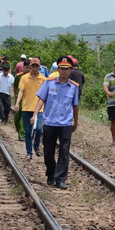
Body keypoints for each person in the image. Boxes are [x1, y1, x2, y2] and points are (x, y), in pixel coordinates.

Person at [32, 55, 79, 190]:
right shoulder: (49, 82)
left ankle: (60, 179)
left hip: (65, 124)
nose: (64, 71)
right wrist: (35, 114)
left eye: (67, 69)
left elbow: (75, 106)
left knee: (64, 151)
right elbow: (41, 99)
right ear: (57, 69)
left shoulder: (74, 87)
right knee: (48, 152)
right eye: (62, 68)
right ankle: (50, 174)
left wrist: (76, 122)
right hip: (50, 123)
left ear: (70, 70)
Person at [14, 57, 46, 159]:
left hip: (39, 108)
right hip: (26, 108)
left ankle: (36, 146)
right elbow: (21, 91)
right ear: (30, 67)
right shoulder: (24, 78)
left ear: (39, 67)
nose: (35, 68)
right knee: (28, 131)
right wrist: (17, 103)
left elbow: (45, 95)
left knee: (39, 129)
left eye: (37, 66)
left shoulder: (44, 79)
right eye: (33, 66)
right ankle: (29, 152)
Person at [13, 60, 30, 140]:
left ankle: (22, 134)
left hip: (26, 100)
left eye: (29, 67)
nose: (28, 69)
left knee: (24, 118)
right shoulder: (18, 77)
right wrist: (16, 98)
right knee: (16, 119)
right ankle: (19, 130)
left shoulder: (31, 78)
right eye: (26, 67)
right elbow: (15, 87)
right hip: (19, 100)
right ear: (23, 67)